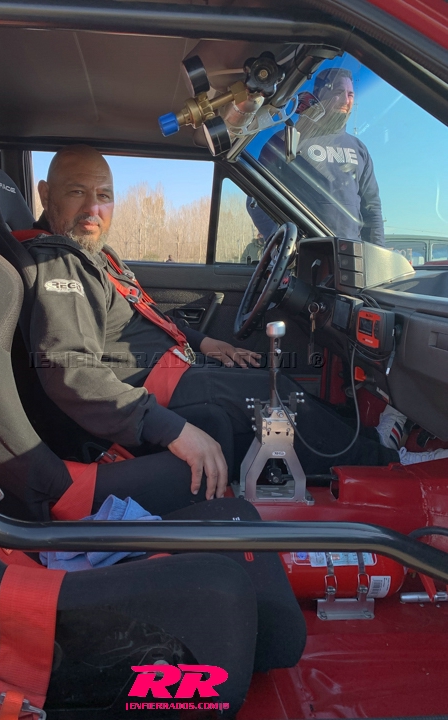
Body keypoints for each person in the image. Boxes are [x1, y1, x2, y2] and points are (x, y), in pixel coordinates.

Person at [23, 145, 446, 514]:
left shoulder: (96, 255)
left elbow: (146, 315)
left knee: (272, 379)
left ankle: (369, 438)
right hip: (147, 386)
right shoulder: (59, 264)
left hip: (170, 367)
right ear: (45, 194)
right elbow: (71, 371)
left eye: (104, 196)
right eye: (77, 192)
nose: (93, 209)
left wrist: (205, 341)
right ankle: (385, 461)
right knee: (276, 398)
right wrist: (171, 429)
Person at [258, 67, 385, 246]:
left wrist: (376, 253)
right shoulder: (286, 140)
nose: (346, 100)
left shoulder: (359, 149)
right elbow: (256, 199)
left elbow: (372, 208)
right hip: (302, 252)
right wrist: (282, 242)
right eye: (338, 92)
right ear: (319, 94)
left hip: (349, 254)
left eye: (350, 94)